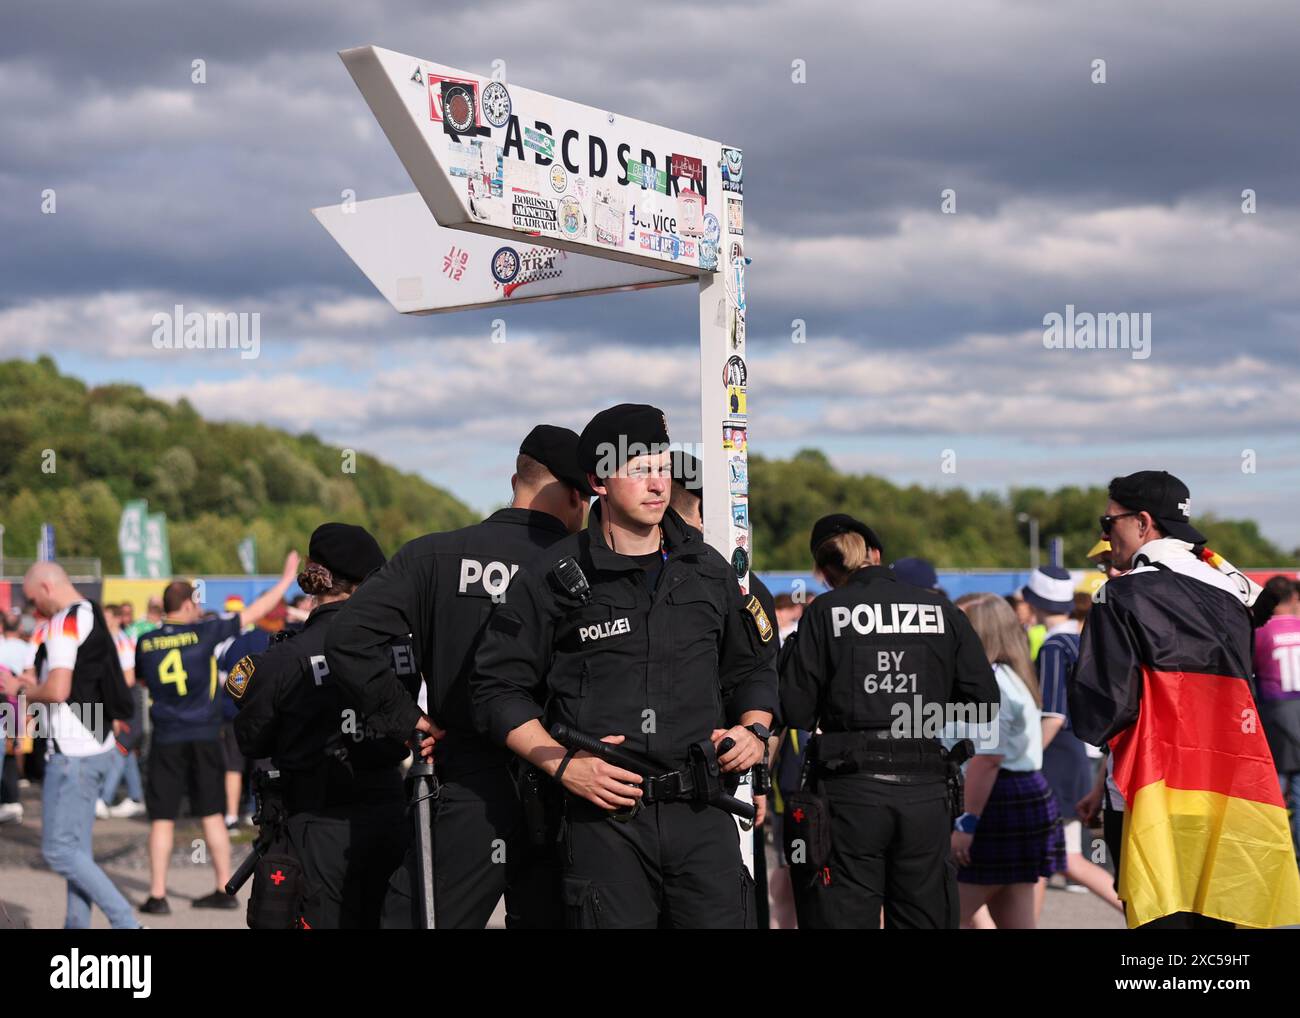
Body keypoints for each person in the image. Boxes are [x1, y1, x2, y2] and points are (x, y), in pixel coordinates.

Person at [472, 404, 778, 929]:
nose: (658, 484)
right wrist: (562, 764)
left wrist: (755, 729)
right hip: (604, 823)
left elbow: (753, 669)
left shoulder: (709, 571)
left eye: (663, 468)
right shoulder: (553, 577)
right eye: (639, 471)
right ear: (598, 482)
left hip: (703, 816)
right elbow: (495, 690)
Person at [326, 425, 593, 929]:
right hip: (568, 780)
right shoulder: (587, 565)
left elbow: (348, 637)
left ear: (516, 478)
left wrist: (407, 719)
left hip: (470, 785)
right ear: (576, 495)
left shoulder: (432, 557)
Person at [1070, 470, 1300, 928]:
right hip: (1229, 785)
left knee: (1161, 921)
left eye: (1109, 520)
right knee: (1217, 919)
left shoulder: (1119, 594)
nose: (1104, 532)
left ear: (1142, 522)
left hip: (1149, 789)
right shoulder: (1234, 593)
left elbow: (1106, 707)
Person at [777, 514, 999, 928]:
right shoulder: (940, 609)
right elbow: (983, 703)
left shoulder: (825, 611)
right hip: (925, 792)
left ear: (825, 572)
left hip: (849, 793)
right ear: (878, 556)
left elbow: (795, 710)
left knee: (841, 915)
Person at [230, 524, 416, 928]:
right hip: (391, 817)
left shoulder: (285, 656)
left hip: (316, 825)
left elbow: (251, 739)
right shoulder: (402, 648)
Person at [134, 552, 299, 914]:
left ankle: (158, 894)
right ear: (188, 604)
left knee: (161, 819)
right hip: (205, 733)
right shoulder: (204, 632)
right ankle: (224, 887)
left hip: (166, 735)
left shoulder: (145, 642)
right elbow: (255, 612)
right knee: (212, 814)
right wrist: (286, 581)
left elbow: (143, 680)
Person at [1, 563, 140, 928]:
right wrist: (33, 679)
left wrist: (19, 690)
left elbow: (59, 691)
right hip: (95, 746)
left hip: (74, 755)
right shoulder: (90, 612)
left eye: (34, 600)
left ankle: (127, 923)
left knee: (59, 851)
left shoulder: (64, 623)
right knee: (76, 852)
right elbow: (76, 685)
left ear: (47, 587)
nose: (34, 610)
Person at [946, 593, 1064, 928]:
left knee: (940, 916)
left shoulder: (991, 683)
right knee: (1016, 917)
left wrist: (966, 823)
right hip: (1017, 795)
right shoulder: (1009, 676)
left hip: (996, 800)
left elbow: (987, 759)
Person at [1020, 568, 1122, 917]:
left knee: (1038, 856)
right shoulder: (1078, 639)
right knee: (1067, 858)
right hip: (1074, 754)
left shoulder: (1052, 646)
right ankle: (1140, 916)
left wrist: (1025, 758)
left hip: (1055, 759)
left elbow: (1053, 715)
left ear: (1035, 602)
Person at [1253, 576, 1300, 855]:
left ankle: (1274, 851)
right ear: (1293, 598)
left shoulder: (1260, 632)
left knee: (1272, 784)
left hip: (1276, 711)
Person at [95, 605, 146, 820]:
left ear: (115, 619)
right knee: (125, 751)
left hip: (125, 701)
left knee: (119, 748)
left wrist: (111, 704)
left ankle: (103, 799)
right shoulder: (106, 641)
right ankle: (135, 798)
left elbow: (127, 679)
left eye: (107, 617)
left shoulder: (122, 642)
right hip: (118, 700)